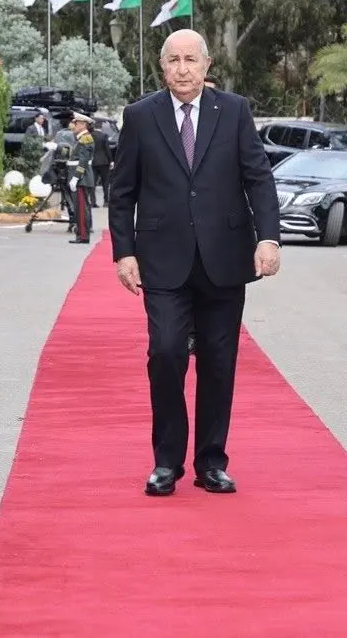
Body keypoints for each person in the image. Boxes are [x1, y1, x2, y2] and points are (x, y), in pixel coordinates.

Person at [108, 28, 280, 497]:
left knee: (219, 362)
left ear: (207, 65)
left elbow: (258, 179)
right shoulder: (141, 116)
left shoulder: (235, 111)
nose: (182, 69)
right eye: (173, 60)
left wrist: (269, 239)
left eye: (191, 60)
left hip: (224, 258)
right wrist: (124, 252)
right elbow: (121, 191)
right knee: (165, 353)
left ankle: (211, 462)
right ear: (161, 67)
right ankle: (166, 463)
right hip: (163, 261)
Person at [67, 112, 95, 243]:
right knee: (81, 207)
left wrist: (76, 177)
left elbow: (83, 160)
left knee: (82, 208)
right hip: (81, 177)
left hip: (82, 178)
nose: (74, 125)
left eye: (76, 123)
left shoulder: (85, 138)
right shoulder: (80, 138)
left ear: (83, 125)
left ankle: (83, 235)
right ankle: (82, 234)